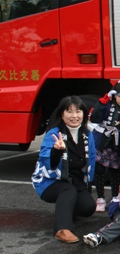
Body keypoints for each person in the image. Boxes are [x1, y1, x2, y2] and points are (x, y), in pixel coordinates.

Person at [32, 96, 97, 243]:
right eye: (69, 112)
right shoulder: (54, 134)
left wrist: (88, 184)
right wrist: (57, 151)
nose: (74, 116)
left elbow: (91, 159)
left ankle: (65, 211)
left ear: (84, 114)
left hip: (73, 180)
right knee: (68, 191)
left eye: (78, 111)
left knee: (88, 207)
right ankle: (62, 229)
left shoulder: (87, 134)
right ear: (62, 114)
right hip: (49, 181)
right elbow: (47, 163)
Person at [90, 80, 120, 212]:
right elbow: (94, 118)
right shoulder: (107, 104)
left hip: (119, 141)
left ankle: (115, 196)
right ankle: (100, 198)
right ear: (114, 94)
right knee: (99, 170)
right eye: (119, 96)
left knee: (116, 171)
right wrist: (100, 104)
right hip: (102, 140)